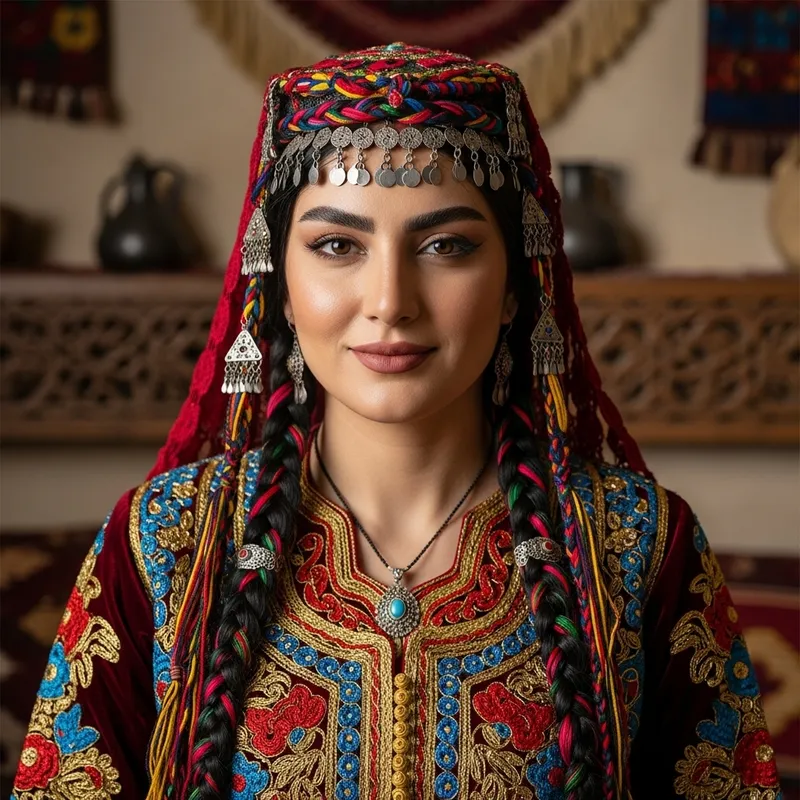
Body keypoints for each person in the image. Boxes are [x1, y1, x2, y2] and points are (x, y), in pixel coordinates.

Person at [12, 42, 781, 800]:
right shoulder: (166, 545)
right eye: (337, 245)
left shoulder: (635, 546)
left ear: (516, 284)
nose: (390, 300)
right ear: (277, 283)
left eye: (445, 246)